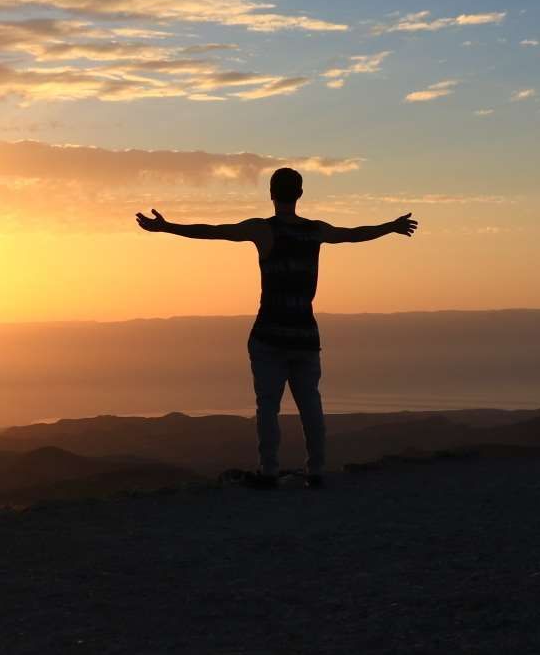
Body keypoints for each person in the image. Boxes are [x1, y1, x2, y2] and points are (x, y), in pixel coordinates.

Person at [135, 167, 417, 489]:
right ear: (299, 194)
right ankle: (316, 471)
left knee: (267, 407)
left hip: (268, 334)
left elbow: (214, 231)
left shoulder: (262, 230)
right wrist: (391, 227)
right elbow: (353, 234)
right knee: (310, 404)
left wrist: (167, 227)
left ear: (271, 193)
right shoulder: (315, 231)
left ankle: (269, 471)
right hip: (305, 336)